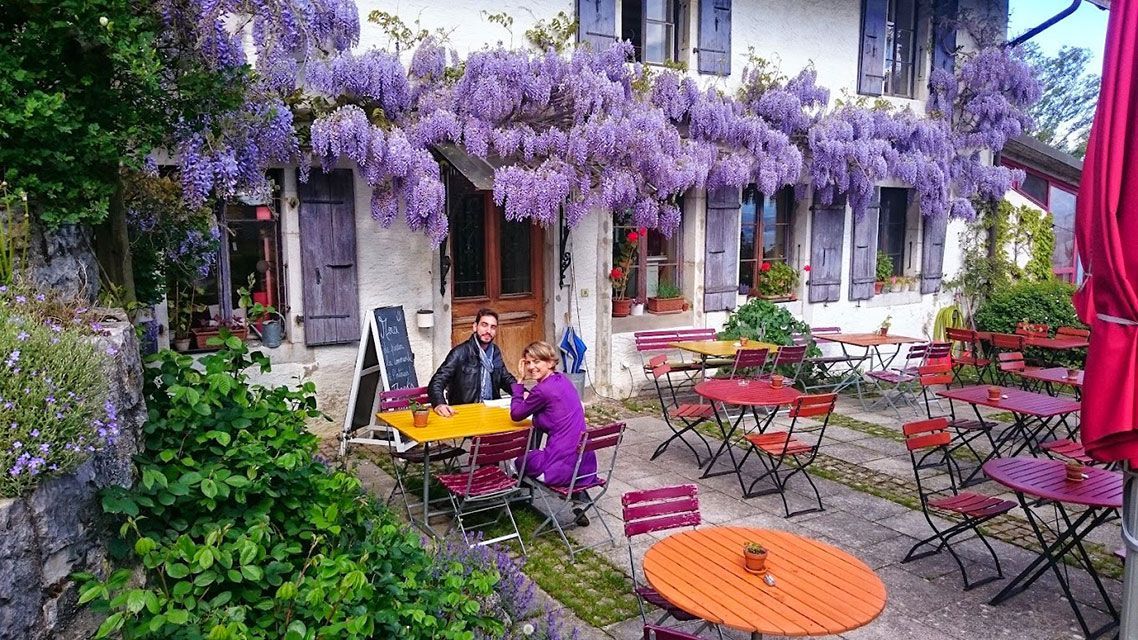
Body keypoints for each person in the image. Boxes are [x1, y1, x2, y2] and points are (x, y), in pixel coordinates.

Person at [509, 341, 595, 526]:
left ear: (550, 362)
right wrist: (535, 412)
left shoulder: (542, 389)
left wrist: (519, 381)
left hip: (557, 471)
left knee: (516, 461)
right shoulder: (563, 381)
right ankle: (577, 505)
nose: (531, 367)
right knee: (552, 453)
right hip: (585, 468)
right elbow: (552, 418)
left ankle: (514, 500)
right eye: (528, 362)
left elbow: (516, 414)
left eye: (537, 361)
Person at [428, 308, 517, 417]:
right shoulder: (460, 352)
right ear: (475, 327)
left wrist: (522, 393)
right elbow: (437, 381)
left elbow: (505, 378)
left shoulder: (495, 352)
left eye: (492, 327)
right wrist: (439, 404)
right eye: (484, 325)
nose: (488, 331)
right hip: (466, 413)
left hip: (492, 411)